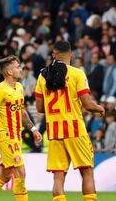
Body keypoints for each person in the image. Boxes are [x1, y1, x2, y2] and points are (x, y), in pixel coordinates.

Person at [35, 40, 104, 201]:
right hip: (74, 129)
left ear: (53, 55)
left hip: (54, 131)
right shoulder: (77, 73)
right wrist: (99, 108)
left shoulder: (43, 75)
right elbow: (87, 104)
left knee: (58, 176)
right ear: (71, 54)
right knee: (87, 172)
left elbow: (39, 108)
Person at [0, 55, 42, 201]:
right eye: (18, 67)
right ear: (10, 72)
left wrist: (33, 129)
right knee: (21, 173)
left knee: (5, 176)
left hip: (16, 136)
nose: (21, 69)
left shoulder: (19, 87)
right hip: (6, 137)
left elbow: (21, 111)